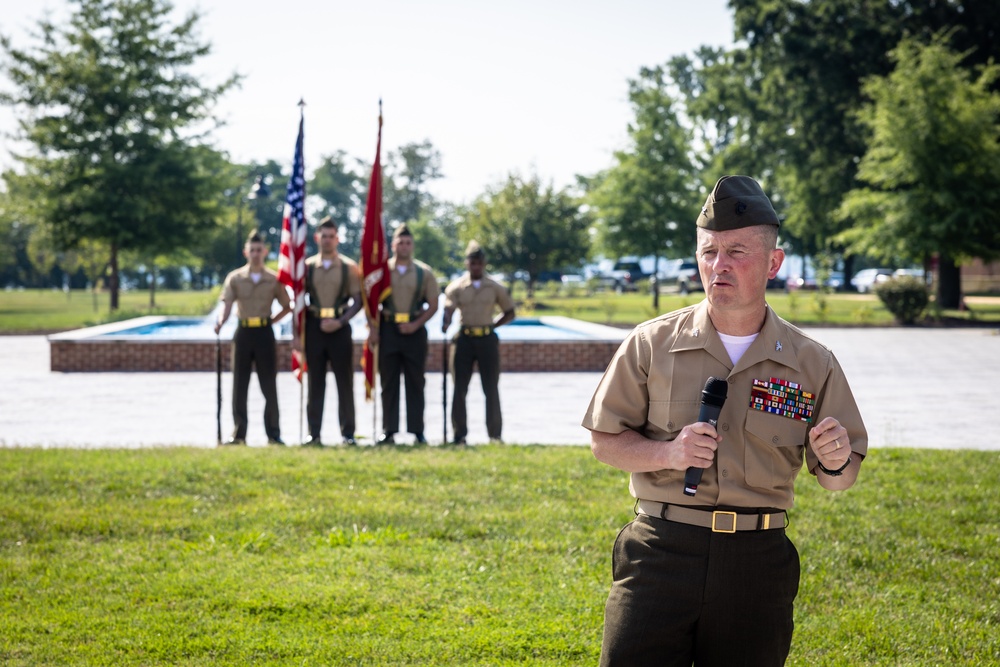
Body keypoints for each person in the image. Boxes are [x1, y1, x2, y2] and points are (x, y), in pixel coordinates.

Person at [582, 175, 867, 667]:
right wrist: (667, 453)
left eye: (737, 251)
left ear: (773, 263)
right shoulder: (652, 343)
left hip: (756, 562)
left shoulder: (811, 362)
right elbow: (604, 441)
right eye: (709, 251)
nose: (719, 265)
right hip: (660, 552)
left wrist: (837, 460)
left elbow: (840, 479)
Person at [215, 230, 292, 446]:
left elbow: (288, 306)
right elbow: (227, 305)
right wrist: (220, 322)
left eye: (259, 250)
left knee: (269, 385)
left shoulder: (273, 279)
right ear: (246, 252)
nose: (256, 254)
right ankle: (239, 434)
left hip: (265, 334)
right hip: (243, 333)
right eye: (252, 250)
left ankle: (273, 434)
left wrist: (272, 321)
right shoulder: (236, 278)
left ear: (265, 252)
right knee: (240, 384)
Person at [369, 223, 439, 444]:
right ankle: (388, 430)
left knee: (415, 382)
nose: (404, 246)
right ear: (393, 245)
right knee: (389, 382)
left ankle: (417, 430)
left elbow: (433, 305)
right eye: (400, 242)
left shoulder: (423, 272)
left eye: (408, 243)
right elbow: (370, 302)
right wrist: (373, 329)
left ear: (413, 246)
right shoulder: (382, 272)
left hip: (414, 330)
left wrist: (415, 324)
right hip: (388, 329)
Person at [441, 241, 516, 444]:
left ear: (484, 264)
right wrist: (446, 319)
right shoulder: (456, 287)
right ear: (467, 263)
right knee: (459, 389)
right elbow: (449, 307)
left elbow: (510, 312)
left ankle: (495, 435)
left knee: (491, 387)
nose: (476, 267)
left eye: (479, 263)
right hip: (464, 339)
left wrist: (493, 326)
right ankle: (459, 434)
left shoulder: (495, 287)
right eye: (472, 262)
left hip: (487, 339)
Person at [301, 217, 363, 446]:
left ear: (337, 239)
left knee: (344, 382)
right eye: (323, 236)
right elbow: (298, 300)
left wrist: (341, 321)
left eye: (331, 236)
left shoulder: (349, 267)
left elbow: (358, 301)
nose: (327, 241)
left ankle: (348, 433)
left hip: (339, 328)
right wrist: (298, 334)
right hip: (315, 327)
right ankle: (313, 433)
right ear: (317, 238)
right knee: (315, 381)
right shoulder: (306, 267)